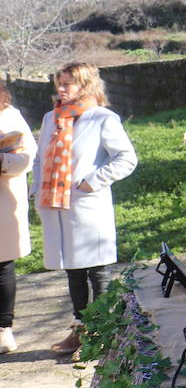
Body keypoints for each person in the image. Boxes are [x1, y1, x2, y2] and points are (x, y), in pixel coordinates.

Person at [31, 62, 137, 356]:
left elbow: (126, 159)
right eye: (59, 83)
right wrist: (36, 188)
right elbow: (40, 158)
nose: (61, 89)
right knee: (73, 271)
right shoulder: (51, 118)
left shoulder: (102, 118)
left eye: (68, 83)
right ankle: (80, 329)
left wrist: (92, 182)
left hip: (87, 206)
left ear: (86, 85)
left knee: (97, 271)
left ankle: (102, 333)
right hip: (57, 206)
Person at [0, 81, 36, 353]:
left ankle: (3, 330)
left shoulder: (10, 115)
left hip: (3, 201)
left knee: (1, 265)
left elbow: (27, 157)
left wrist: (2, 162)